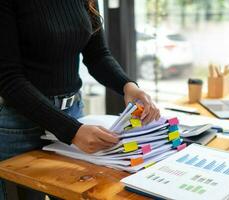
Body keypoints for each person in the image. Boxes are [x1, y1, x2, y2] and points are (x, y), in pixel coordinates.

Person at [0, 0, 160, 199]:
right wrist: (71, 131)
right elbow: (8, 79)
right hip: (20, 125)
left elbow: (97, 55)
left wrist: (128, 86)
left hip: (74, 114)